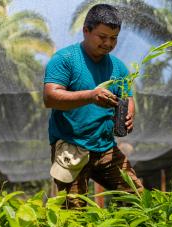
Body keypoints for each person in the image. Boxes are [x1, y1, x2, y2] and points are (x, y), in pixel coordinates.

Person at [43, 4, 143, 208]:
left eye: (114, 38)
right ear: (86, 31)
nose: (108, 43)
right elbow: (50, 97)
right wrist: (90, 96)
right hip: (72, 147)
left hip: (106, 147)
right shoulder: (66, 59)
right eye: (102, 36)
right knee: (74, 210)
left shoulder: (119, 68)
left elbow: (127, 97)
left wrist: (129, 112)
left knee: (136, 198)